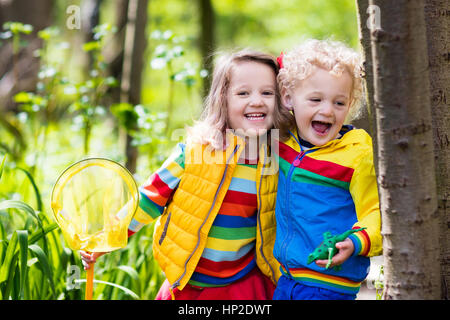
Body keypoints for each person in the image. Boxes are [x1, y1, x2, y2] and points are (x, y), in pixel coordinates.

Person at [81, 49, 295, 300]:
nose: (257, 101)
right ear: (223, 100)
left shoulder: (277, 159)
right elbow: (149, 198)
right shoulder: (195, 152)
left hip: (243, 282)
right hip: (188, 284)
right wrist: (108, 237)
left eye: (267, 93)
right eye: (243, 93)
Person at [272, 39, 382, 300]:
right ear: (289, 98)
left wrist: (356, 242)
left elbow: (377, 211)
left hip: (329, 284)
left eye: (339, 103)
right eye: (315, 99)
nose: (327, 110)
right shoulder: (283, 144)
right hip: (286, 278)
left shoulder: (356, 155)